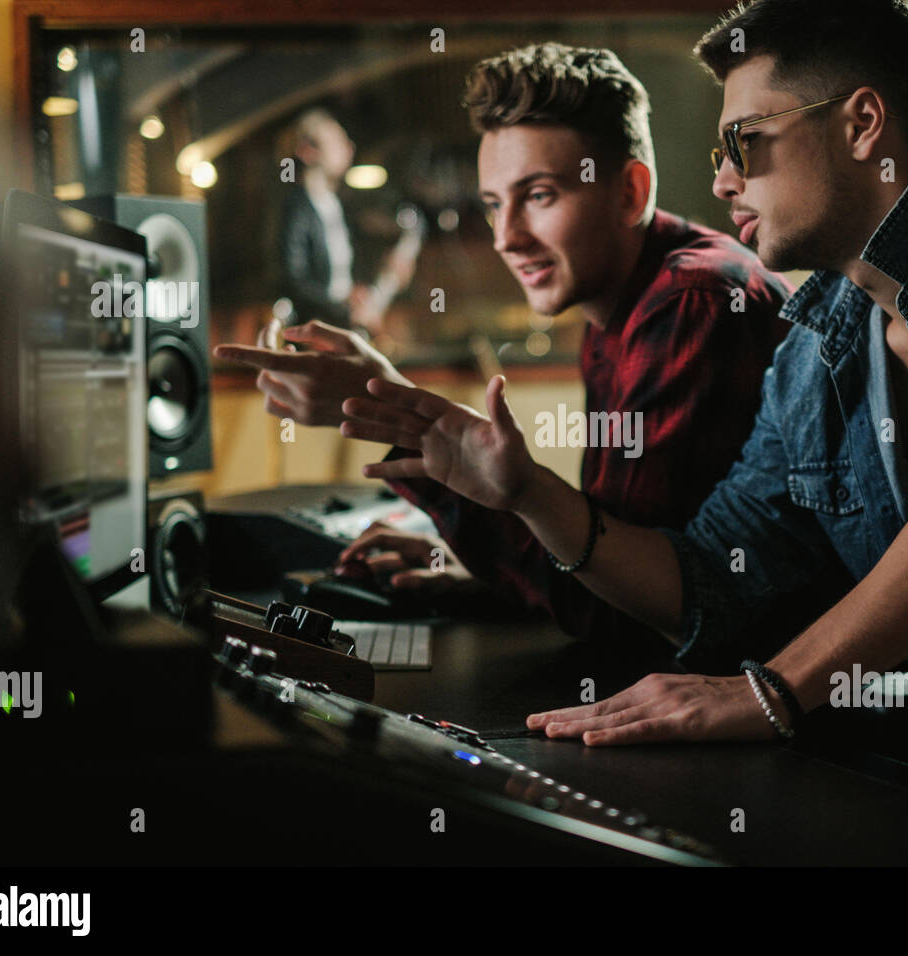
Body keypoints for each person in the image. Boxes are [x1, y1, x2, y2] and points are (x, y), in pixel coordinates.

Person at [334, 0, 908, 857]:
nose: (721, 178)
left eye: (745, 142)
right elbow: (709, 583)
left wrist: (774, 691)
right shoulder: (813, 357)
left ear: (861, 124)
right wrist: (524, 492)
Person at [217, 43, 794, 653]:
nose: (506, 238)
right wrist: (468, 565)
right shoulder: (615, 301)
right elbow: (607, 561)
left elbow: (625, 616)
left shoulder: (690, 303)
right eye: (495, 204)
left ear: (629, 192)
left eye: (539, 195)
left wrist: (389, 408)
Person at [278, 108, 418, 337]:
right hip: (316, 331)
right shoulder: (296, 209)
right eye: (336, 141)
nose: (349, 147)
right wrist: (343, 305)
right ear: (308, 152)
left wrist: (389, 271)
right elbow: (293, 282)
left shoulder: (340, 204)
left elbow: (349, 272)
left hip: (344, 326)